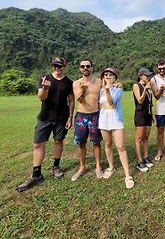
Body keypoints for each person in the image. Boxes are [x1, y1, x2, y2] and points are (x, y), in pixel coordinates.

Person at [16, 57, 74, 192]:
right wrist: (45, 88)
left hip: (61, 117)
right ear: (52, 66)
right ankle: (36, 174)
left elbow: (71, 101)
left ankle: (56, 166)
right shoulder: (45, 78)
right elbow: (41, 97)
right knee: (38, 143)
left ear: (64, 66)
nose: (57, 68)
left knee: (58, 140)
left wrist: (70, 117)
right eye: (55, 65)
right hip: (45, 117)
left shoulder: (68, 82)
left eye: (60, 66)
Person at [98, 67, 134, 189]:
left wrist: (108, 91)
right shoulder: (100, 90)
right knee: (107, 144)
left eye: (111, 75)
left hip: (115, 119)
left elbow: (112, 102)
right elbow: (100, 105)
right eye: (106, 74)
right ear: (103, 77)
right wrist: (104, 90)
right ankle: (111, 167)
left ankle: (127, 175)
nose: (108, 76)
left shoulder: (118, 89)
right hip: (103, 119)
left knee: (120, 146)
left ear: (115, 78)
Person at [71, 59, 103, 181]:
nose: (85, 68)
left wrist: (116, 84)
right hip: (81, 116)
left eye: (88, 66)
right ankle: (82, 167)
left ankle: (98, 166)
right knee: (81, 142)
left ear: (92, 68)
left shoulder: (99, 82)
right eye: (83, 66)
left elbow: (107, 90)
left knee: (96, 142)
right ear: (80, 68)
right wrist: (84, 90)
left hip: (95, 115)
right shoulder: (76, 83)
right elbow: (79, 99)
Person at [133, 67, 154, 172]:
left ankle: (145, 157)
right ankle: (139, 160)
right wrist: (145, 90)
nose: (148, 77)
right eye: (147, 75)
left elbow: (150, 102)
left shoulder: (148, 86)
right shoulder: (136, 86)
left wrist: (152, 115)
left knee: (146, 137)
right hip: (140, 114)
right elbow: (140, 101)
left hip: (148, 114)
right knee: (139, 138)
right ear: (141, 76)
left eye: (149, 75)